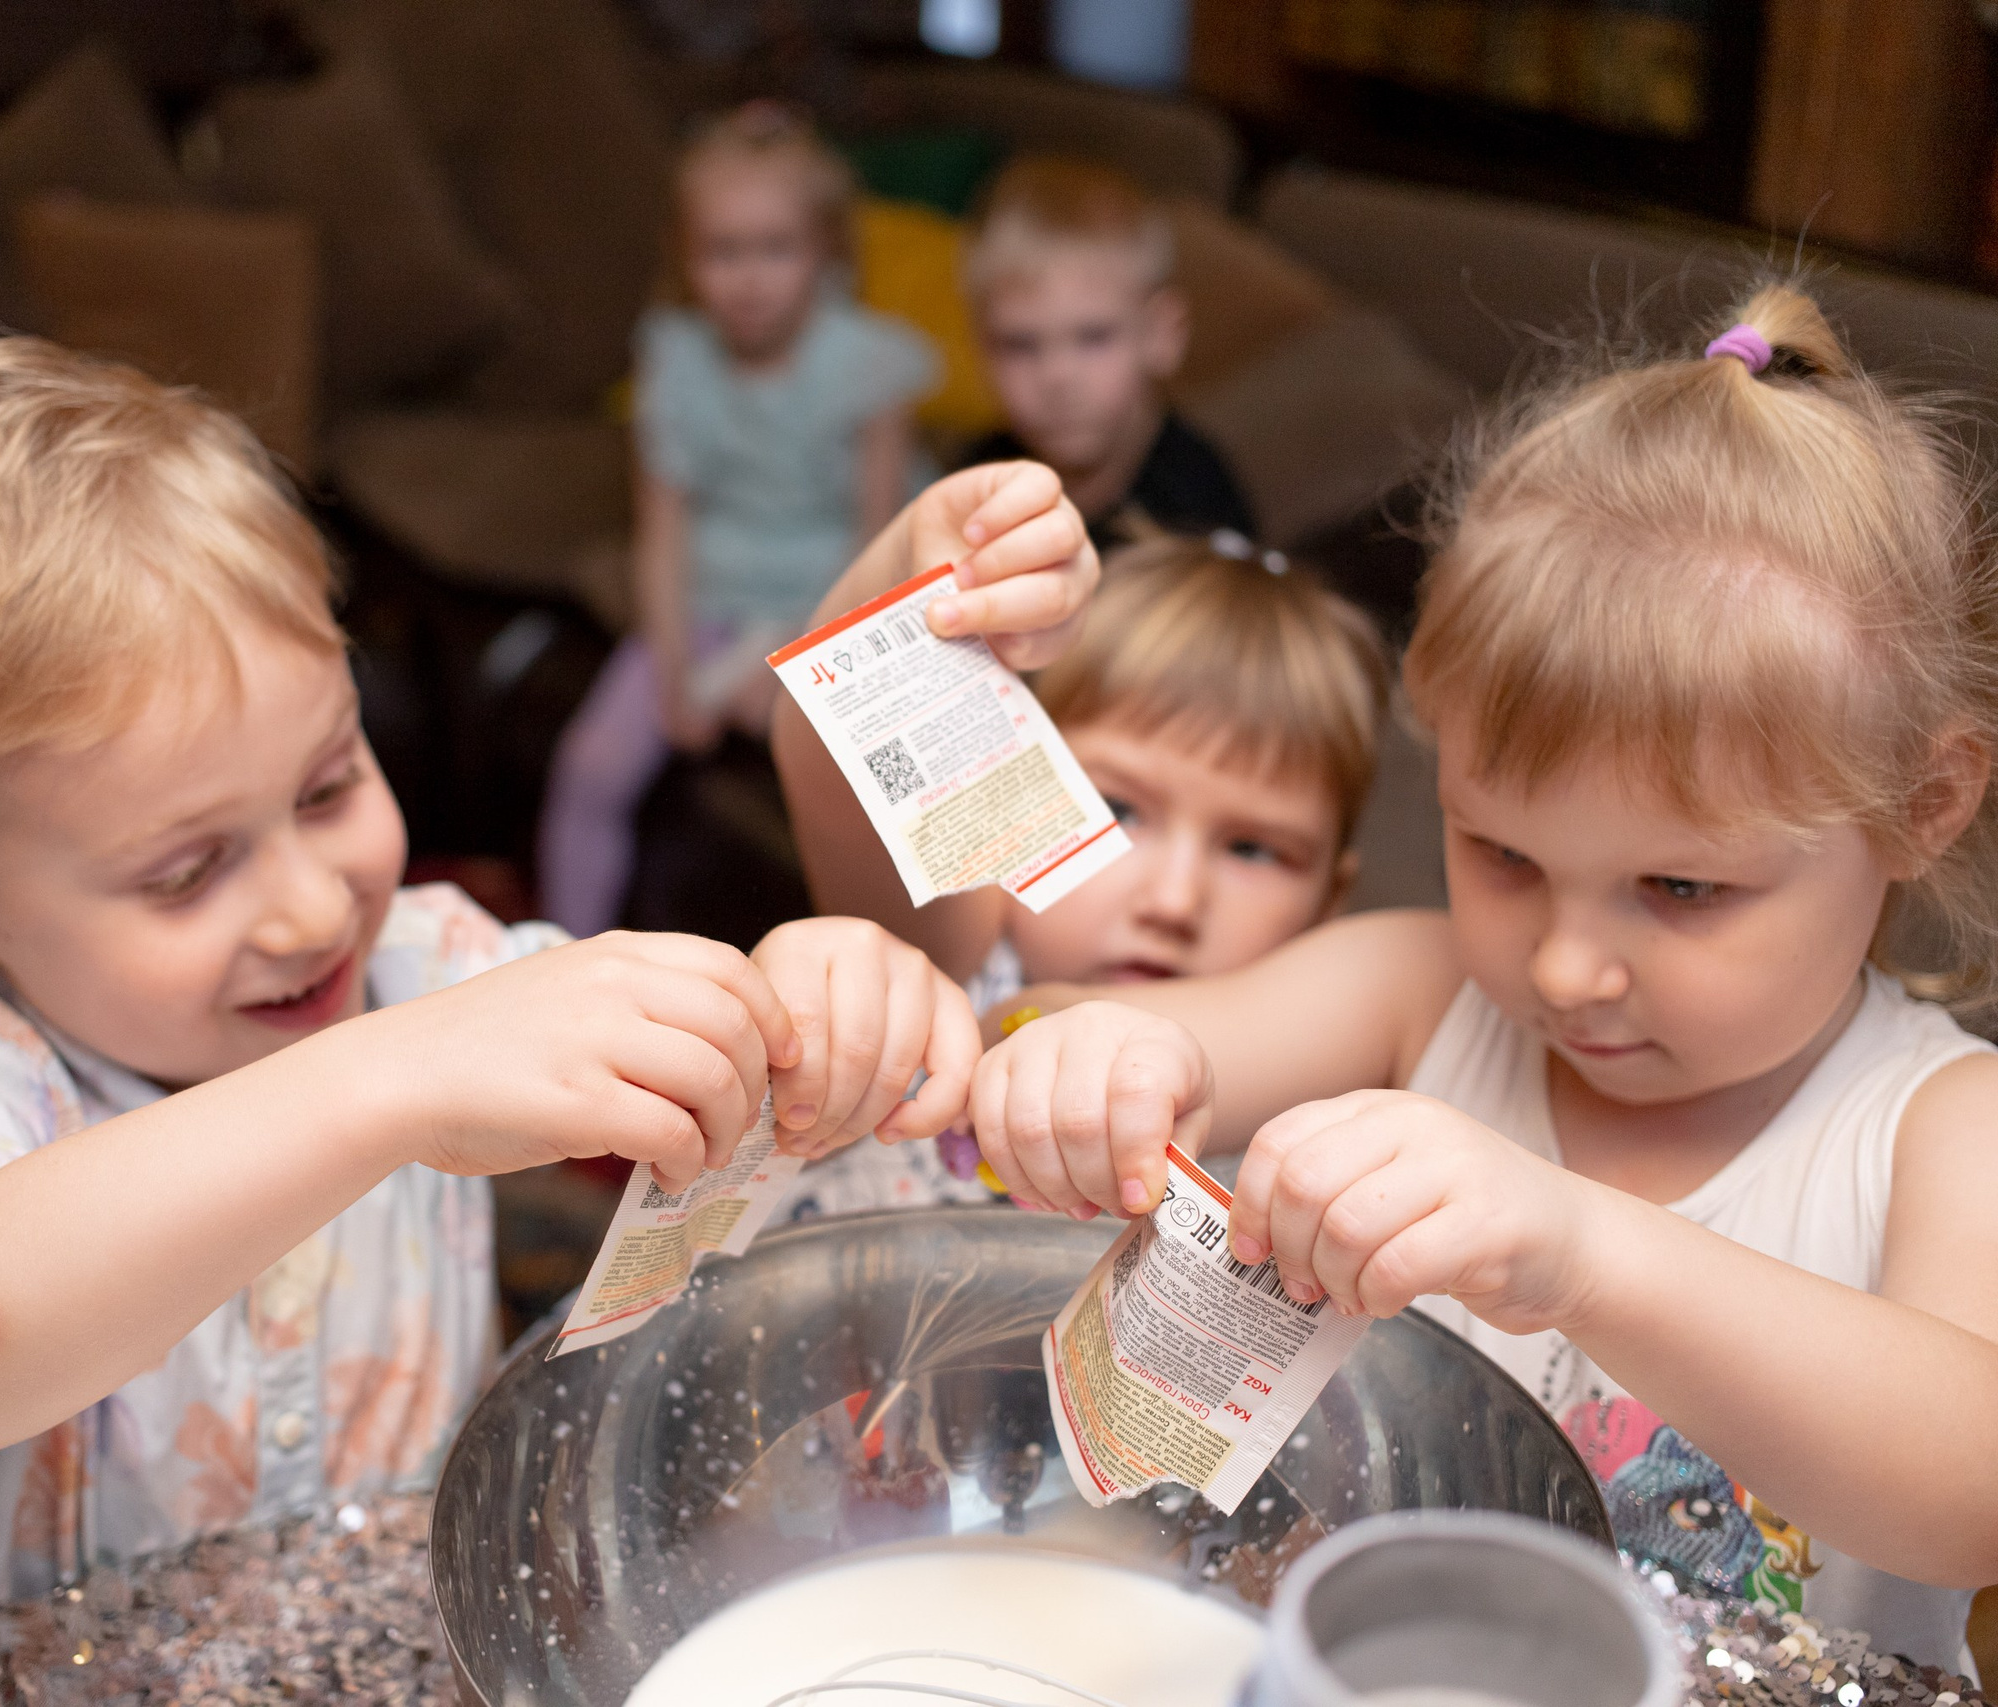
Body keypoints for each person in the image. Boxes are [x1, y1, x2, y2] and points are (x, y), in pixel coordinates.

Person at [0, 338, 1099, 1631]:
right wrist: (384, 1076)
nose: (314, 906)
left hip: (404, 1624)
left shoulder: (421, 956)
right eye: (186, 871)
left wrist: (811, 978)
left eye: (328, 784)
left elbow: (760, 1038)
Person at [969, 287, 1998, 1666]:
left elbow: (1970, 1488)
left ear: (1923, 804)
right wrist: (1099, 1056)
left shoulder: (1940, 1125)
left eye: (1681, 886)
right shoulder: (1423, 988)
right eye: (1501, 851)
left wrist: (1580, 1246)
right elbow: (1152, 1038)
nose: (1565, 966)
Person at [767, 525, 1388, 1221]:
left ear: (1332, 899)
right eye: (1118, 807)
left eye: (1250, 849)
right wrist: (912, 557)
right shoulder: (950, 960)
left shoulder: (1311, 1091)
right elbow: (830, 769)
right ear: (1003, 793)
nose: (1174, 899)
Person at [537, 101, 939, 937]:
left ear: (824, 250)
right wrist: (677, 665)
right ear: (687, 257)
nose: (749, 277)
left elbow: (882, 547)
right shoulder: (674, 361)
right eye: (724, 251)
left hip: (834, 605)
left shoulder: (868, 365)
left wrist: (800, 657)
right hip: (713, 603)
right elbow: (665, 533)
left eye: (775, 248)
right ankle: (563, 957)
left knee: (866, 787)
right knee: (590, 766)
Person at [955, 156, 1254, 547]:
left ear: (1163, 333)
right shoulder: (974, 482)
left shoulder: (1198, 510)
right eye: (1020, 344)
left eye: (1093, 336)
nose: (1056, 376)